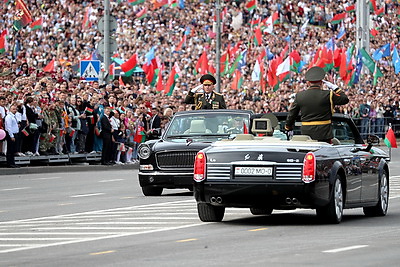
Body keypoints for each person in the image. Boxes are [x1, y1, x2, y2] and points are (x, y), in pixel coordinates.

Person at [285, 66, 349, 142]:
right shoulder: (328, 94)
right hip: (324, 133)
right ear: (322, 83)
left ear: (308, 83)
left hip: (306, 133)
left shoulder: (299, 96)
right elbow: (345, 99)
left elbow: (292, 115)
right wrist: (334, 87)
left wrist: (288, 127)